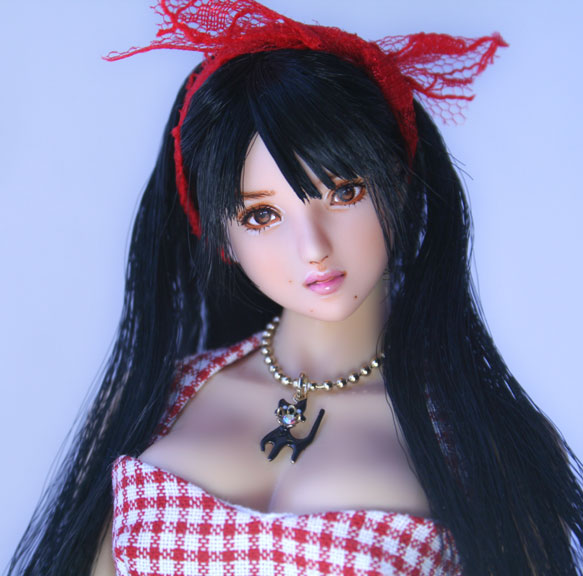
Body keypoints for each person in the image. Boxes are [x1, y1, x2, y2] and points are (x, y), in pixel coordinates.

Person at [7, 1, 583, 575]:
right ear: (221, 237)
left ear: (400, 186)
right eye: (262, 215)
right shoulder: (151, 400)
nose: (312, 247)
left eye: (344, 192)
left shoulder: (483, 438)